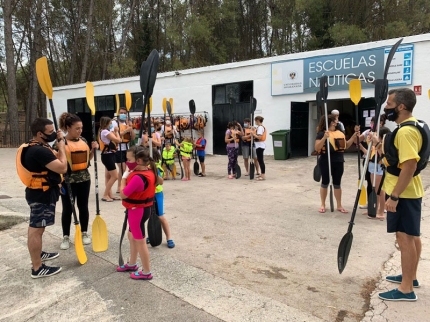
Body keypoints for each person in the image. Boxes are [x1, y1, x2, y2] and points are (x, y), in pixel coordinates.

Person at [373, 88, 427, 302]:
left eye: (389, 103)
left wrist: (394, 196)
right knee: (412, 236)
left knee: (404, 238)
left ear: (401, 107)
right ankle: (410, 277)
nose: (386, 107)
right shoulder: (417, 124)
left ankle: (406, 290)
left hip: (403, 193)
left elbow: (409, 165)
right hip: (411, 190)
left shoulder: (405, 132)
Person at [16, 118, 68, 278]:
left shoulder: (37, 146)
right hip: (41, 195)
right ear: (39, 134)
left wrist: (58, 145)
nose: (54, 133)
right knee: (36, 230)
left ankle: (38, 254)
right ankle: (37, 268)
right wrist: (61, 147)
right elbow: (63, 166)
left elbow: (55, 161)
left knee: (39, 227)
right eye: (50, 132)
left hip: (40, 192)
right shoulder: (39, 151)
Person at [58, 113, 98, 249]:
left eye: (81, 128)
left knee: (83, 206)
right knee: (68, 209)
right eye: (77, 128)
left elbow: (87, 160)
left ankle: (84, 232)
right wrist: (58, 182)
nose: (80, 131)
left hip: (84, 180)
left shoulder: (84, 141)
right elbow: (55, 163)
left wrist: (93, 150)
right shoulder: (60, 142)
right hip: (67, 181)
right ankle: (65, 236)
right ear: (68, 128)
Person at [117, 146, 159, 280]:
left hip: (137, 211)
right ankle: (132, 263)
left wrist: (123, 178)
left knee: (139, 241)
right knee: (132, 236)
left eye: (129, 160)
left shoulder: (137, 177)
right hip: (141, 210)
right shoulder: (150, 171)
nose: (127, 162)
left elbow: (123, 194)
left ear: (139, 161)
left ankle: (147, 272)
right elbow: (159, 181)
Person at [314, 114, 359, 213]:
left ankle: (339, 205)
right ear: (330, 122)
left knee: (337, 183)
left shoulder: (340, 133)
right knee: (325, 182)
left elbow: (346, 146)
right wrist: (324, 138)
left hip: (338, 161)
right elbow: (317, 148)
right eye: (335, 120)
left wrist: (353, 137)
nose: (337, 122)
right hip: (326, 161)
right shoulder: (322, 134)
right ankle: (323, 204)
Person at [360, 126, 391, 220]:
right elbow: (369, 154)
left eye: (377, 134)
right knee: (373, 188)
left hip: (379, 167)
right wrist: (363, 145)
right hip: (372, 165)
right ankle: (373, 209)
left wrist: (376, 143)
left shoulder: (383, 145)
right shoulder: (374, 144)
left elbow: (382, 154)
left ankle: (381, 211)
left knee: (380, 190)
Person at [357, 115, 387, 209]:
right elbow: (369, 152)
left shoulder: (384, 132)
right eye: (371, 122)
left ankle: (382, 208)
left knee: (380, 188)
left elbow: (383, 151)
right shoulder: (368, 132)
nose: (372, 124)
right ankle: (371, 204)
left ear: (381, 123)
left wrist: (376, 142)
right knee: (371, 184)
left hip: (379, 164)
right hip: (370, 162)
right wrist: (357, 136)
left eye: (373, 122)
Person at [150, 152, 175, 248]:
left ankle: (169, 238)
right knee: (150, 216)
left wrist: (153, 172)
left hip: (157, 194)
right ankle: (152, 234)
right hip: (147, 195)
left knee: (160, 216)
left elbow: (161, 182)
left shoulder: (156, 168)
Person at [98, 116, 121, 201]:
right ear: (106, 123)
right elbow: (118, 140)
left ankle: (110, 195)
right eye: (110, 123)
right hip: (107, 156)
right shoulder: (104, 132)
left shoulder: (105, 131)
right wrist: (116, 132)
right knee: (115, 176)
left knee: (108, 176)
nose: (111, 124)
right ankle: (105, 195)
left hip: (109, 155)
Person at [113, 107, 135, 194]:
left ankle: (123, 185)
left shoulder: (128, 123)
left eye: (124, 113)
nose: (123, 114)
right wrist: (126, 130)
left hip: (126, 148)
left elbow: (133, 137)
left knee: (126, 168)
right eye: (121, 112)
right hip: (118, 148)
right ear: (118, 113)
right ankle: (120, 186)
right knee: (122, 168)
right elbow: (116, 135)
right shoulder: (114, 123)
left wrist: (131, 128)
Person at [252, 116, 266, 180]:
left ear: (257, 120)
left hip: (260, 146)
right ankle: (262, 174)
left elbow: (259, 137)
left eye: (255, 120)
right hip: (259, 146)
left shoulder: (260, 128)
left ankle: (263, 175)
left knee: (260, 161)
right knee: (260, 160)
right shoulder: (260, 127)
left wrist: (253, 134)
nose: (255, 122)